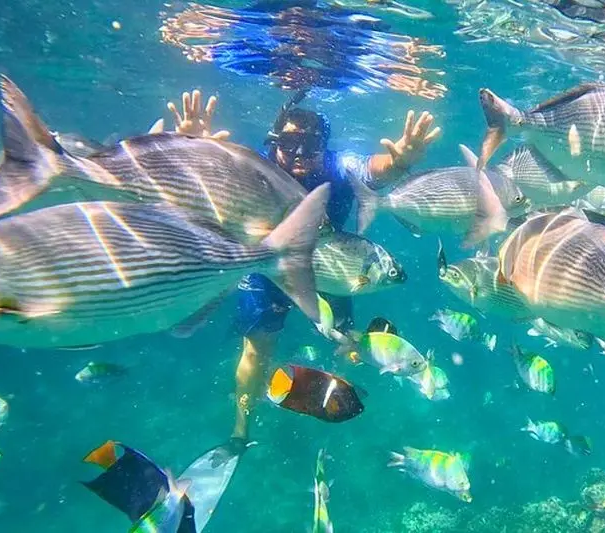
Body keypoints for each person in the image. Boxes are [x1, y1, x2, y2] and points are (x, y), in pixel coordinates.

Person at [152, 88, 440, 523]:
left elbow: (373, 170)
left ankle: (336, 403)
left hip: (333, 270)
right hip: (265, 270)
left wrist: (398, 161)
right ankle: (240, 430)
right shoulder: (257, 169)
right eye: (288, 144)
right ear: (273, 145)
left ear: (324, 147)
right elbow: (211, 176)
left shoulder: (338, 168)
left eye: (310, 145)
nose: (299, 153)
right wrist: (191, 150)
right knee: (257, 350)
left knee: (348, 342)